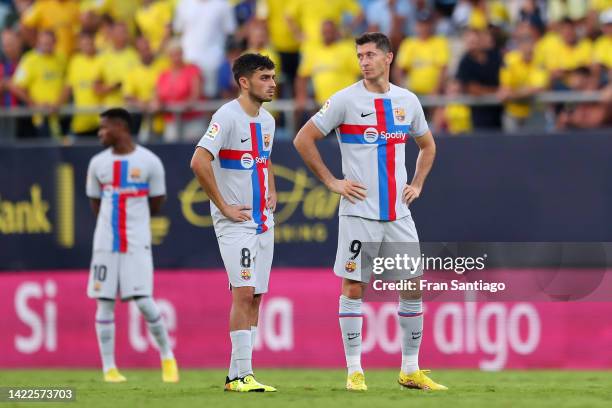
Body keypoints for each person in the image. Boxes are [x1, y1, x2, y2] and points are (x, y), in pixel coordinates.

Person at [293, 32, 446, 392]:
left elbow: (427, 146)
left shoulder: (407, 101)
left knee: (411, 286)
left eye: (371, 55)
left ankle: (410, 369)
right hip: (359, 213)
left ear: (389, 58)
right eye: (359, 55)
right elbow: (303, 138)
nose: (364, 61)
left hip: (398, 214)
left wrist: (418, 183)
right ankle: (354, 371)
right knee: (354, 285)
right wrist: (332, 181)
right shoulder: (345, 100)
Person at [190, 53, 278, 393]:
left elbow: (264, 159)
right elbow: (199, 161)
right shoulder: (226, 117)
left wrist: (272, 187)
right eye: (264, 77)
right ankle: (241, 376)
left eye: (272, 77)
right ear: (244, 82)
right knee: (242, 293)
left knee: (255, 297)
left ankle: (239, 374)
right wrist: (224, 206)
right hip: (236, 223)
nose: (272, 83)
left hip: (262, 221)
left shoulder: (267, 121)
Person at [85, 108, 179, 383]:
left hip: (136, 243)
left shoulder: (149, 162)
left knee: (145, 302)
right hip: (104, 244)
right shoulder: (97, 164)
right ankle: (109, 369)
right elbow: (95, 202)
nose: (100, 133)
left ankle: (167, 357)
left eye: (104, 128)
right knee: (104, 303)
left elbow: (157, 201)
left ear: (120, 128)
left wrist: (135, 223)